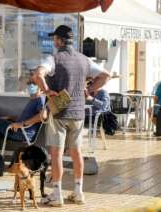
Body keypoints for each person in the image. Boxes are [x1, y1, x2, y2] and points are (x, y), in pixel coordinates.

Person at [33, 25, 110, 206]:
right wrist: (90, 89)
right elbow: (106, 75)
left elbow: (38, 75)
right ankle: (78, 192)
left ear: (59, 40)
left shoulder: (53, 58)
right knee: (76, 153)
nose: (54, 41)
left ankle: (57, 194)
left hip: (59, 113)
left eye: (55, 39)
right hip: (78, 113)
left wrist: (47, 90)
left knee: (57, 153)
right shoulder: (84, 60)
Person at [0, 71, 46, 154]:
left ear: (39, 86)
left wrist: (21, 124)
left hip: (22, 133)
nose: (29, 86)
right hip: (19, 129)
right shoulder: (34, 99)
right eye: (28, 84)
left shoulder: (40, 99)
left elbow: (42, 117)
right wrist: (12, 118)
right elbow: (27, 117)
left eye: (32, 84)